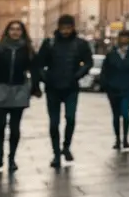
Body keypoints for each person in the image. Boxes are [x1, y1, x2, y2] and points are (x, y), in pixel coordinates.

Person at [35, 14, 92, 169]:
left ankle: (66, 146)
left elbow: (88, 62)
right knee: (54, 123)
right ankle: (56, 154)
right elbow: (39, 64)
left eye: (68, 28)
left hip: (71, 87)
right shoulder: (50, 43)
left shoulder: (80, 44)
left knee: (70, 118)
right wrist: (45, 78)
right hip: (53, 88)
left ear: (73, 28)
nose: (65, 31)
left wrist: (77, 76)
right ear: (58, 28)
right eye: (63, 28)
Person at [0, 20, 40, 173]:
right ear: (7, 31)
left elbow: (35, 69)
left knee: (15, 127)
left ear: (22, 32)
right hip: (0, 88)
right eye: (12, 29)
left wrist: (35, 87)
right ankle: (0, 153)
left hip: (19, 90)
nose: (15, 32)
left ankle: (12, 158)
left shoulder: (27, 50)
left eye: (18, 29)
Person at [101, 30, 129, 150]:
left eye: (127, 38)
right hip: (113, 89)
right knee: (116, 115)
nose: (124, 40)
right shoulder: (111, 54)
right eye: (122, 37)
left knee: (125, 114)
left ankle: (125, 138)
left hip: (127, 89)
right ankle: (117, 139)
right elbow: (105, 71)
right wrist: (106, 85)